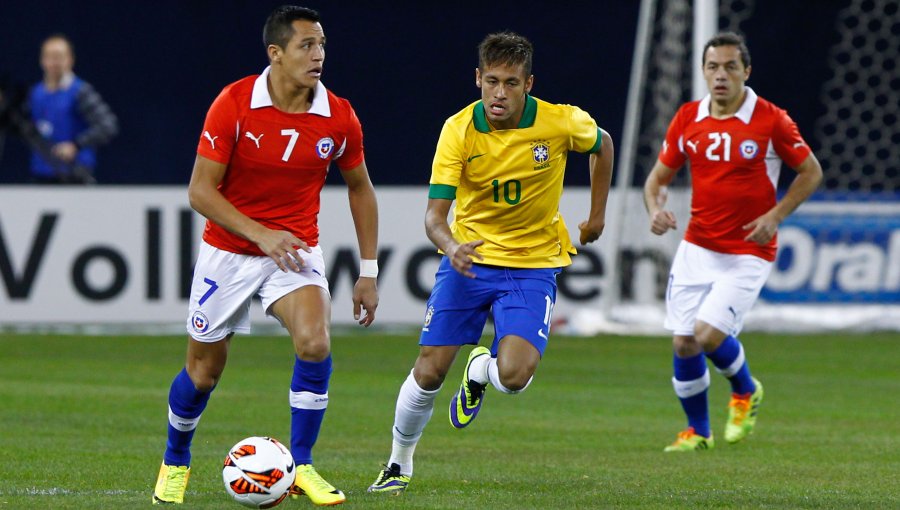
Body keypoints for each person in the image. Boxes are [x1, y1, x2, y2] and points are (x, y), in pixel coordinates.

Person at [368, 31, 614, 494]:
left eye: (512, 83)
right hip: (470, 261)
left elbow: (603, 145)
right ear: (478, 78)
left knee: (516, 377)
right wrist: (451, 244)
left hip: (533, 264)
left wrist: (596, 214)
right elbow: (434, 217)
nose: (500, 93)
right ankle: (398, 463)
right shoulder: (458, 130)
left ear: (528, 84)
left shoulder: (561, 122)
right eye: (493, 81)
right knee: (429, 370)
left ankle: (481, 370)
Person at [151, 6, 379, 506]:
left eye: (321, 45)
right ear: (275, 53)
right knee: (203, 373)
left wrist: (368, 270)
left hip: (294, 250)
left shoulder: (338, 115)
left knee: (315, 343)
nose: (318, 55)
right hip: (228, 252)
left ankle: (302, 465)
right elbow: (200, 192)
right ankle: (175, 458)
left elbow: (360, 189)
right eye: (305, 46)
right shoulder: (234, 104)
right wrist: (261, 235)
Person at [642, 32, 823, 452]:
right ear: (703, 72)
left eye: (729, 66)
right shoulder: (688, 117)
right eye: (712, 67)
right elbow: (657, 180)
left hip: (748, 250)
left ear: (746, 71)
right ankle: (698, 432)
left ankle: (745, 390)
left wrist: (775, 216)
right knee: (683, 340)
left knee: (707, 334)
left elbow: (811, 171)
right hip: (697, 246)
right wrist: (655, 209)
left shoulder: (771, 120)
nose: (720, 75)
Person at [28, 34, 118, 184]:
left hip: (74, 175)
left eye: (59, 57)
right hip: (41, 175)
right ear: (42, 60)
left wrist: (76, 145)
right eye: (49, 57)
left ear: (70, 59)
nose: (54, 62)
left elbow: (108, 125)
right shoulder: (35, 93)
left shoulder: (80, 91)